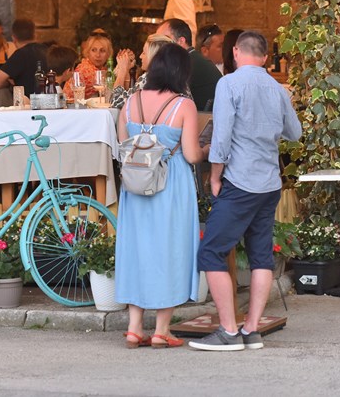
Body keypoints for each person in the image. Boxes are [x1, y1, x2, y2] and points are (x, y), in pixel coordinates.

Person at [190, 31, 301, 352]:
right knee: (261, 256)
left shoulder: (229, 84)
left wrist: (214, 176)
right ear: (265, 57)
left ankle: (228, 330)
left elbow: (221, 137)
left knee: (210, 252)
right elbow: (295, 132)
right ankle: (251, 330)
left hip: (240, 182)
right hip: (269, 183)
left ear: (236, 52)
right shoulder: (277, 88)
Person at [115, 42, 205, 349]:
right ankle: (162, 330)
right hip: (171, 184)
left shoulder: (130, 101)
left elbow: (123, 145)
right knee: (170, 250)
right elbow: (191, 154)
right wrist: (208, 149)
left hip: (135, 185)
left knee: (137, 250)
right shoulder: (184, 105)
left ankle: (134, 327)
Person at [157, 18, 221, 111]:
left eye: (163, 40)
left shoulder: (183, 64)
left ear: (181, 41)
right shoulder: (193, 58)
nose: (157, 45)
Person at [0, 18, 48, 96]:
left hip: (29, 104)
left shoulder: (21, 54)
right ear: (35, 35)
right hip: (52, 102)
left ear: (14, 38)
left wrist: (7, 82)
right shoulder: (47, 50)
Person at [110, 33, 173, 108]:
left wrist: (122, 70)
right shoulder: (175, 75)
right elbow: (130, 97)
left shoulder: (150, 78)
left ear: (153, 56)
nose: (140, 56)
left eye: (144, 52)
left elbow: (116, 102)